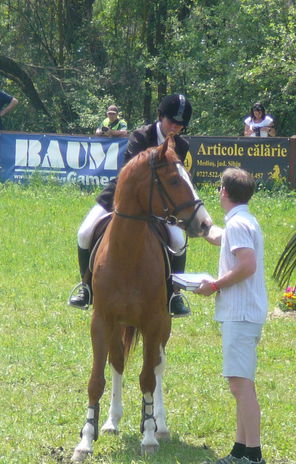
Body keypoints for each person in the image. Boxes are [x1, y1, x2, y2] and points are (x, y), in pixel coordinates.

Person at [68, 94, 195, 317]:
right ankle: (86, 287)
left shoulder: (181, 145)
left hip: (162, 207)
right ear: (160, 116)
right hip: (122, 198)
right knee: (84, 232)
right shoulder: (141, 136)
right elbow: (130, 174)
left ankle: (174, 294)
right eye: (171, 122)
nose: (175, 127)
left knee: (177, 240)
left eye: (180, 125)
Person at [193, 167, 267, 464]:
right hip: (245, 313)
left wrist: (214, 285)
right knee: (242, 382)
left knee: (239, 384)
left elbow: (246, 265)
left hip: (240, 314)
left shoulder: (238, 225)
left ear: (223, 192)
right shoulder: (243, 220)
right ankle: (240, 449)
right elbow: (220, 237)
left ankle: (253, 455)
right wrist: (202, 227)